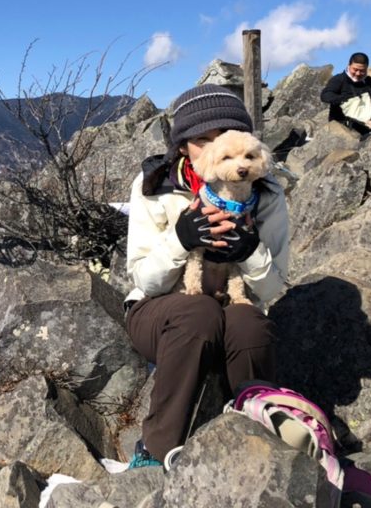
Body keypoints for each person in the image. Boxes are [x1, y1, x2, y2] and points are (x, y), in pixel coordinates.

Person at [124, 85, 290, 468]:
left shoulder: (265, 194)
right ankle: (156, 449)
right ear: (183, 145)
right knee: (198, 313)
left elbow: (272, 287)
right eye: (202, 139)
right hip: (158, 311)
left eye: (225, 137)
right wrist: (181, 239)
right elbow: (146, 281)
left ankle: (257, 444)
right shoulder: (154, 185)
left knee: (249, 325)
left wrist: (249, 250)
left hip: (231, 303)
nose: (215, 147)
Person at [320, 52, 371, 137]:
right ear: (349, 65)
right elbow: (325, 95)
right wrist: (346, 99)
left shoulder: (370, 82)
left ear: (367, 68)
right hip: (342, 126)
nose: (358, 73)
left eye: (362, 71)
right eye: (355, 69)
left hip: (365, 123)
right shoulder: (338, 80)